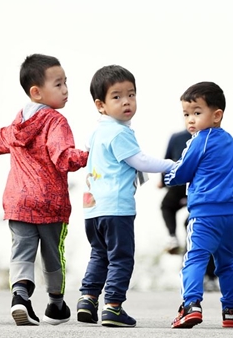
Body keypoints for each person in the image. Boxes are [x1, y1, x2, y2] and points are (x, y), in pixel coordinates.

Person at [0, 53, 88, 327]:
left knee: (21, 253)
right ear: (36, 92)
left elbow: (0, 137)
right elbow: (63, 157)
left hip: (18, 203)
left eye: (66, 83)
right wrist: (92, 155)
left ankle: (20, 297)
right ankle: (55, 304)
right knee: (53, 254)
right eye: (58, 84)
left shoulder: (18, 122)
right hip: (50, 204)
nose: (65, 90)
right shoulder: (56, 121)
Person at [165, 81, 233, 329]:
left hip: (204, 215)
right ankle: (231, 310)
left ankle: (191, 305)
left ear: (216, 115)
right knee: (226, 263)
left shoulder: (198, 141)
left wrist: (169, 175)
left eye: (196, 112)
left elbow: (182, 172)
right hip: (231, 216)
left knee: (194, 259)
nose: (190, 120)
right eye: (186, 114)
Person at [78, 64, 175, 328]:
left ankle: (87, 300)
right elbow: (140, 161)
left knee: (99, 254)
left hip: (92, 208)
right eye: (117, 97)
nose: (126, 102)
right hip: (116, 207)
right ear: (101, 105)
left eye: (131, 94)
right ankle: (113, 307)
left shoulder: (96, 132)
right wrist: (171, 165)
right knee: (121, 257)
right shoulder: (119, 133)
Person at [157, 129, 218, 292]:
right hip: (201, 187)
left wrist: (163, 182)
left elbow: (167, 159)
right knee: (202, 227)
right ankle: (209, 277)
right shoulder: (213, 138)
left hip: (184, 183)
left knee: (170, 208)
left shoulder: (178, 137)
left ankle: (172, 237)